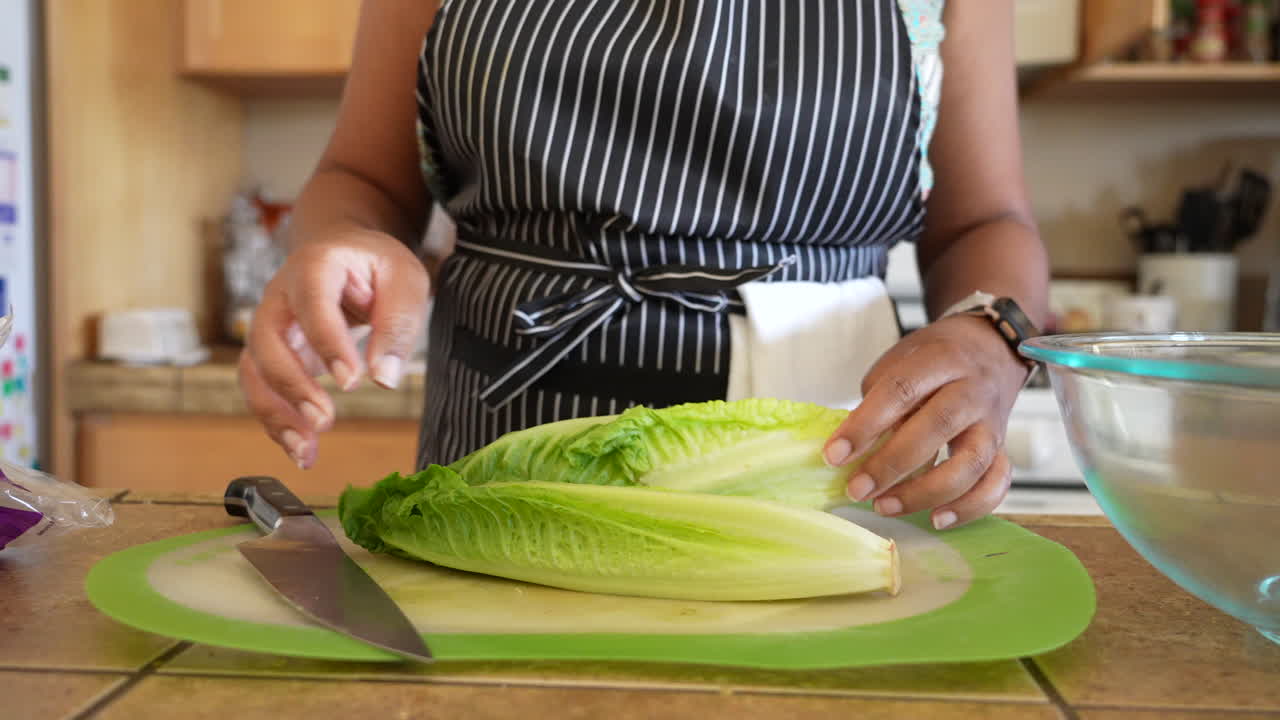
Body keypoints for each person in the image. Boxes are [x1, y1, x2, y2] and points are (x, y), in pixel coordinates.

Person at [238, 0, 1049, 531]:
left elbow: (985, 222)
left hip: (818, 464)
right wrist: (344, 239)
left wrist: (995, 337)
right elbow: (363, 178)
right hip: (504, 456)